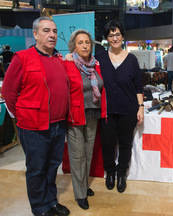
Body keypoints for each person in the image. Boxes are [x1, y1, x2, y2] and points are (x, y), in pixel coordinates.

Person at [1, 17, 70, 216]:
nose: (52, 35)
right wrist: (22, 115)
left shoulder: (58, 59)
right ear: (35, 34)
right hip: (33, 127)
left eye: (55, 31)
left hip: (58, 124)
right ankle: (40, 208)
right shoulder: (22, 58)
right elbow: (8, 91)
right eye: (46, 30)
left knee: (52, 167)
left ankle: (51, 202)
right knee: (37, 169)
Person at [95, 20, 144, 193]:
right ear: (107, 38)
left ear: (122, 36)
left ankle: (122, 173)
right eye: (111, 35)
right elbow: (83, 66)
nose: (114, 38)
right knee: (107, 143)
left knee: (125, 143)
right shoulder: (99, 58)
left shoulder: (132, 60)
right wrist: (70, 56)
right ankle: (110, 172)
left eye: (117, 34)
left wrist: (141, 107)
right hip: (106, 110)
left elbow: (139, 86)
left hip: (128, 109)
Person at [64, 29, 106, 210]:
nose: (84, 45)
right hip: (75, 116)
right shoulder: (67, 63)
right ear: (74, 45)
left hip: (93, 114)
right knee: (77, 155)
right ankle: (80, 193)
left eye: (87, 42)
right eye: (80, 42)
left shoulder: (95, 65)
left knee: (88, 153)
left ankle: (83, 185)